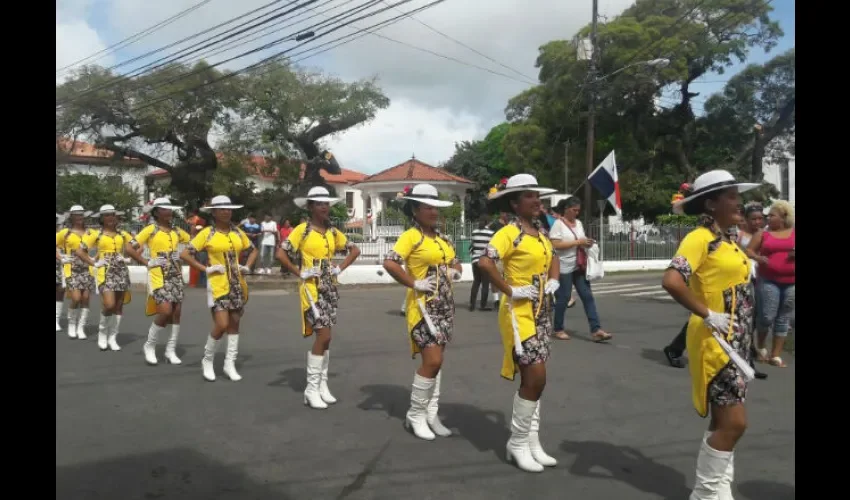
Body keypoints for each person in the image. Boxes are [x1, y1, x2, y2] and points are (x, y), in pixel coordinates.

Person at [661, 169, 760, 499]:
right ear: (710, 202)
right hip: (716, 340)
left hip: (736, 338)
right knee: (734, 423)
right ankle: (705, 494)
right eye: (732, 196)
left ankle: (719, 489)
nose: (739, 202)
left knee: (723, 421)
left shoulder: (728, 238)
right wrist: (707, 313)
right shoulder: (700, 238)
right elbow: (672, 280)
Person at [478, 173, 560, 473]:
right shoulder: (508, 232)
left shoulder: (540, 231)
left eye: (537, 195)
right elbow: (485, 261)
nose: (537, 200)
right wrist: (510, 289)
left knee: (534, 379)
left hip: (540, 311)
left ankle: (531, 440)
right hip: (518, 313)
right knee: (535, 377)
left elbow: (554, 258)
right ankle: (517, 442)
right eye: (529, 196)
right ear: (515, 203)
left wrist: (554, 280)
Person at [382, 184, 462, 440]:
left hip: (445, 306)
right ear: (415, 210)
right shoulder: (411, 236)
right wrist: (413, 282)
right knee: (432, 361)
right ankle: (415, 414)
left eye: (435, 207)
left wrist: (455, 271)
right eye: (427, 207)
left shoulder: (443, 238)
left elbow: (454, 261)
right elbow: (390, 261)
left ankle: (431, 412)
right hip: (423, 308)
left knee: (438, 363)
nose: (433, 212)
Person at [277, 186, 361, 409]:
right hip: (311, 290)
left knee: (328, 337)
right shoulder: (302, 231)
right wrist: (299, 272)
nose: (325, 207)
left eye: (327, 203)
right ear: (310, 207)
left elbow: (354, 250)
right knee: (323, 336)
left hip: (329, 288)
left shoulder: (332, 231)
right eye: (319, 203)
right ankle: (311, 389)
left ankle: (322, 385)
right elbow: (281, 253)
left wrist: (339, 268)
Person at [180, 195, 258, 382]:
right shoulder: (207, 233)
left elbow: (253, 249)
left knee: (235, 323)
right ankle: (207, 359)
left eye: (229, 209)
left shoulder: (238, 233)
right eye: (222, 209)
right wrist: (206, 269)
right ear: (214, 213)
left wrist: (246, 266)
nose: (226, 212)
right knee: (222, 324)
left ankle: (229, 363)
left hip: (237, 283)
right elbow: (185, 254)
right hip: (217, 285)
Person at [127, 197, 191, 365]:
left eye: (170, 209)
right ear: (156, 212)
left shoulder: (177, 231)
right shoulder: (150, 230)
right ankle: (150, 344)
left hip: (175, 275)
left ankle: (171, 349)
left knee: (177, 313)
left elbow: (192, 241)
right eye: (164, 209)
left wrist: (182, 252)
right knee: (165, 311)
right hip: (158, 276)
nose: (168, 212)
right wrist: (147, 262)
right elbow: (129, 248)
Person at [549, 196, 612, 342]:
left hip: (579, 265)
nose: (576, 213)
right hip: (563, 266)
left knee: (587, 296)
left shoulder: (578, 223)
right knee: (563, 298)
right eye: (574, 210)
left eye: (578, 210)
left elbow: (581, 240)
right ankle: (558, 328)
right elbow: (555, 245)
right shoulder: (558, 224)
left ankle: (596, 329)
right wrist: (578, 242)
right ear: (566, 209)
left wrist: (587, 243)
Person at [75, 205, 134, 351]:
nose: (110, 217)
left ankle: (113, 336)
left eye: (112, 214)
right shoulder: (96, 235)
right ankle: (102, 333)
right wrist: (94, 262)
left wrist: (127, 258)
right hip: (105, 272)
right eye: (107, 215)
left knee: (119, 305)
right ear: (101, 218)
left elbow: (137, 246)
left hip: (120, 271)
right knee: (109, 304)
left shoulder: (123, 234)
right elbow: (80, 251)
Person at [746, 201, 795, 367]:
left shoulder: (793, 232)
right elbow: (749, 250)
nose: (768, 218)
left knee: (783, 317)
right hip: (768, 280)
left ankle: (775, 355)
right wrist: (759, 258)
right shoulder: (763, 233)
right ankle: (761, 346)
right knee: (767, 316)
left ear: (783, 217)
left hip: (791, 282)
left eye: (772, 215)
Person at [56, 205, 96, 340]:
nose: (79, 217)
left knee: (85, 299)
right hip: (71, 269)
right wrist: (61, 258)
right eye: (76, 215)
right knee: (76, 298)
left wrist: (95, 258)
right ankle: (72, 323)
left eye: (81, 214)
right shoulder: (65, 233)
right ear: (71, 217)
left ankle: (81, 326)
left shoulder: (91, 232)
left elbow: (103, 246)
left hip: (87, 269)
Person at [469, 214, 494, 311]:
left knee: (476, 282)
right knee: (485, 283)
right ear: (488, 222)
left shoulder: (474, 232)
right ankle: (483, 305)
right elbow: (491, 248)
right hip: (485, 261)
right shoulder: (491, 233)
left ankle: (472, 305)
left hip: (475, 260)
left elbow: (472, 246)